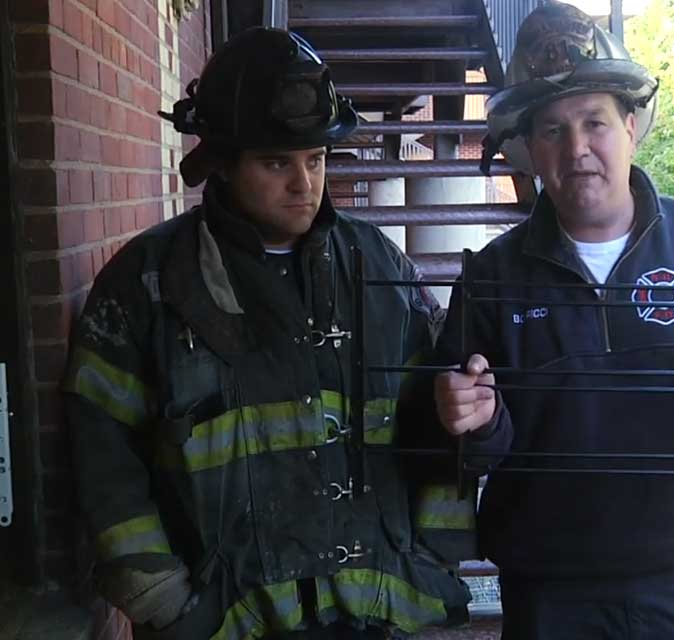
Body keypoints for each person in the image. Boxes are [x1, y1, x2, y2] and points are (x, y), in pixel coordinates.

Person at [63, 27, 474, 640]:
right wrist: (161, 595)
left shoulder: (379, 267)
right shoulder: (148, 283)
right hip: (224, 621)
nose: (303, 184)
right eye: (276, 162)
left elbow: (439, 416)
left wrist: (437, 552)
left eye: (315, 159)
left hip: (372, 611)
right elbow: (99, 449)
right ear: (223, 165)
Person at [433, 2, 674, 639]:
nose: (577, 148)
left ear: (633, 125)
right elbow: (456, 448)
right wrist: (466, 422)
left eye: (595, 122)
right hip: (554, 598)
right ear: (529, 148)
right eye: (552, 130)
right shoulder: (490, 277)